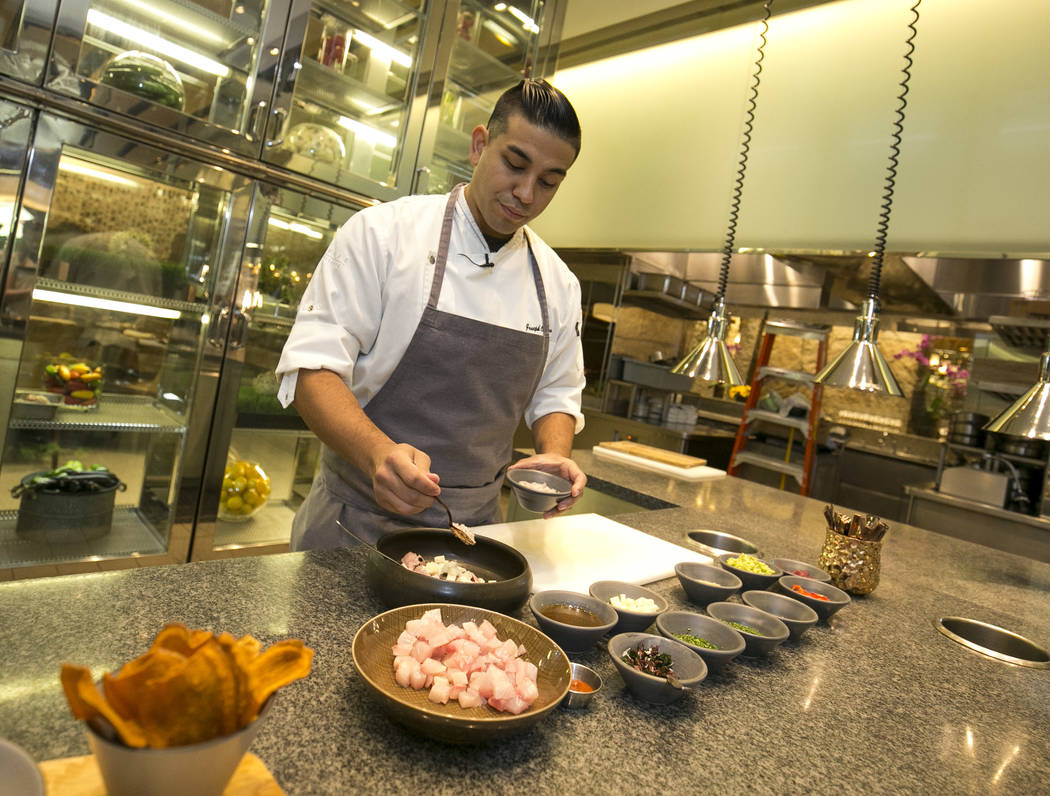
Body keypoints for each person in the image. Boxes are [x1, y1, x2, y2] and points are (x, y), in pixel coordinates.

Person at [275, 79, 588, 550]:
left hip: (474, 540)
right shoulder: (383, 234)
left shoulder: (558, 283)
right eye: (514, 164)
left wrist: (554, 455)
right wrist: (377, 454)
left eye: (548, 182)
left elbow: (558, 393)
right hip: (354, 526)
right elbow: (311, 371)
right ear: (479, 145)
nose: (526, 194)